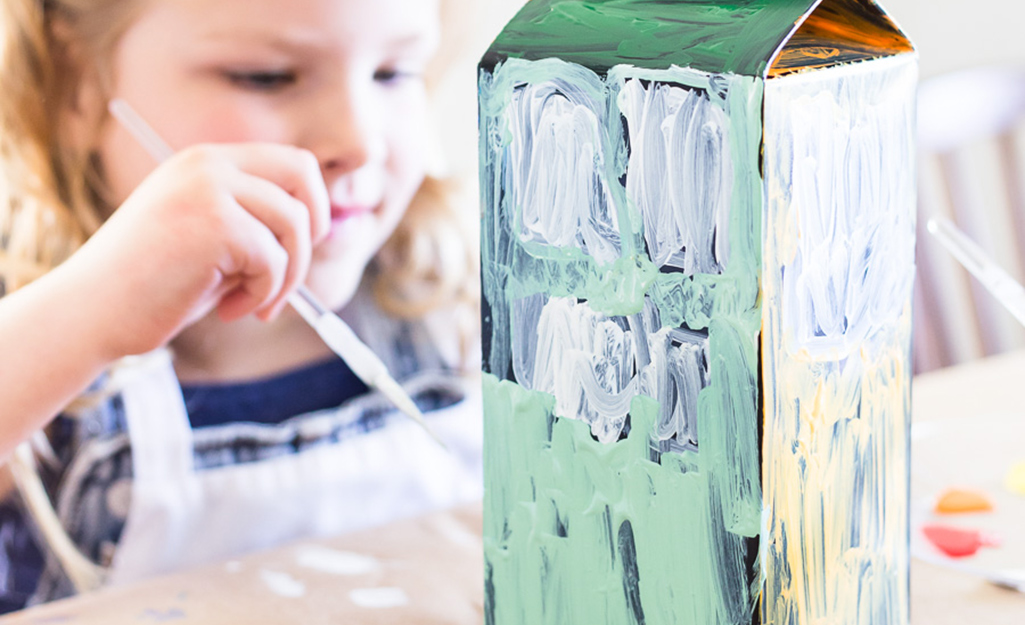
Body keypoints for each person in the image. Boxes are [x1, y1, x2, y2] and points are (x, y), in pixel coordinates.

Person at [0, 0, 482, 611]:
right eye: (267, 76)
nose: (358, 141)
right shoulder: (36, 350)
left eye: (393, 72)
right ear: (76, 90)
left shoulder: (456, 299)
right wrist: (83, 313)